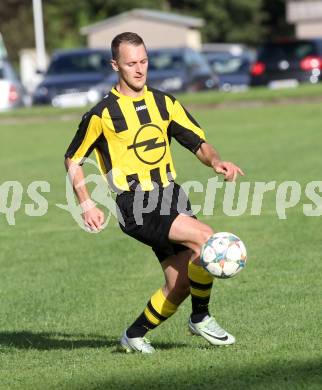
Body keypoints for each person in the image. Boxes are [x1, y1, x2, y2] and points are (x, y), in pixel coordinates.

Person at [64, 32, 244, 354]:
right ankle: (201, 318)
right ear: (115, 64)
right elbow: (73, 158)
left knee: (181, 283)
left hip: (171, 195)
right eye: (131, 63)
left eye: (144, 61)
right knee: (207, 238)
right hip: (135, 203)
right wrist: (86, 203)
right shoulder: (101, 115)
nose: (139, 69)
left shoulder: (165, 103)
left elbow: (198, 143)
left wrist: (216, 161)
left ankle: (134, 335)